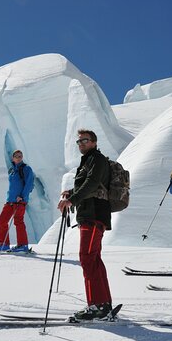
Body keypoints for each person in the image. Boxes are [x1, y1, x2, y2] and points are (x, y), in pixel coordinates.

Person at [57, 129, 113, 320]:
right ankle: (104, 304)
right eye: (79, 141)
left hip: (93, 215)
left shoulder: (96, 159)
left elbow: (92, 183)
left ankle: (97, 307)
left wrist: (71, 200)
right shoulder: (90, 160)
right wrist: (71, 191)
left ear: (94, 142)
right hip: (92, 215)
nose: (81, 144)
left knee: (88, 258)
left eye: (85, 140)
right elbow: (88, 184)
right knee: (94, 259)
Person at [0, 149, 34, 252]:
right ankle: (4, 244)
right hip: (10, 201)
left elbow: (29, 184)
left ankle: (23, 245)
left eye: (20, 156)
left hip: (20, 201)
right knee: (2, 220)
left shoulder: (26, 169)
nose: (19, 158)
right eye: (17, 156)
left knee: (18, 221)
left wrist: (23, 197)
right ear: (13, 158)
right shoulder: (12, 170)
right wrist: (9, 198)